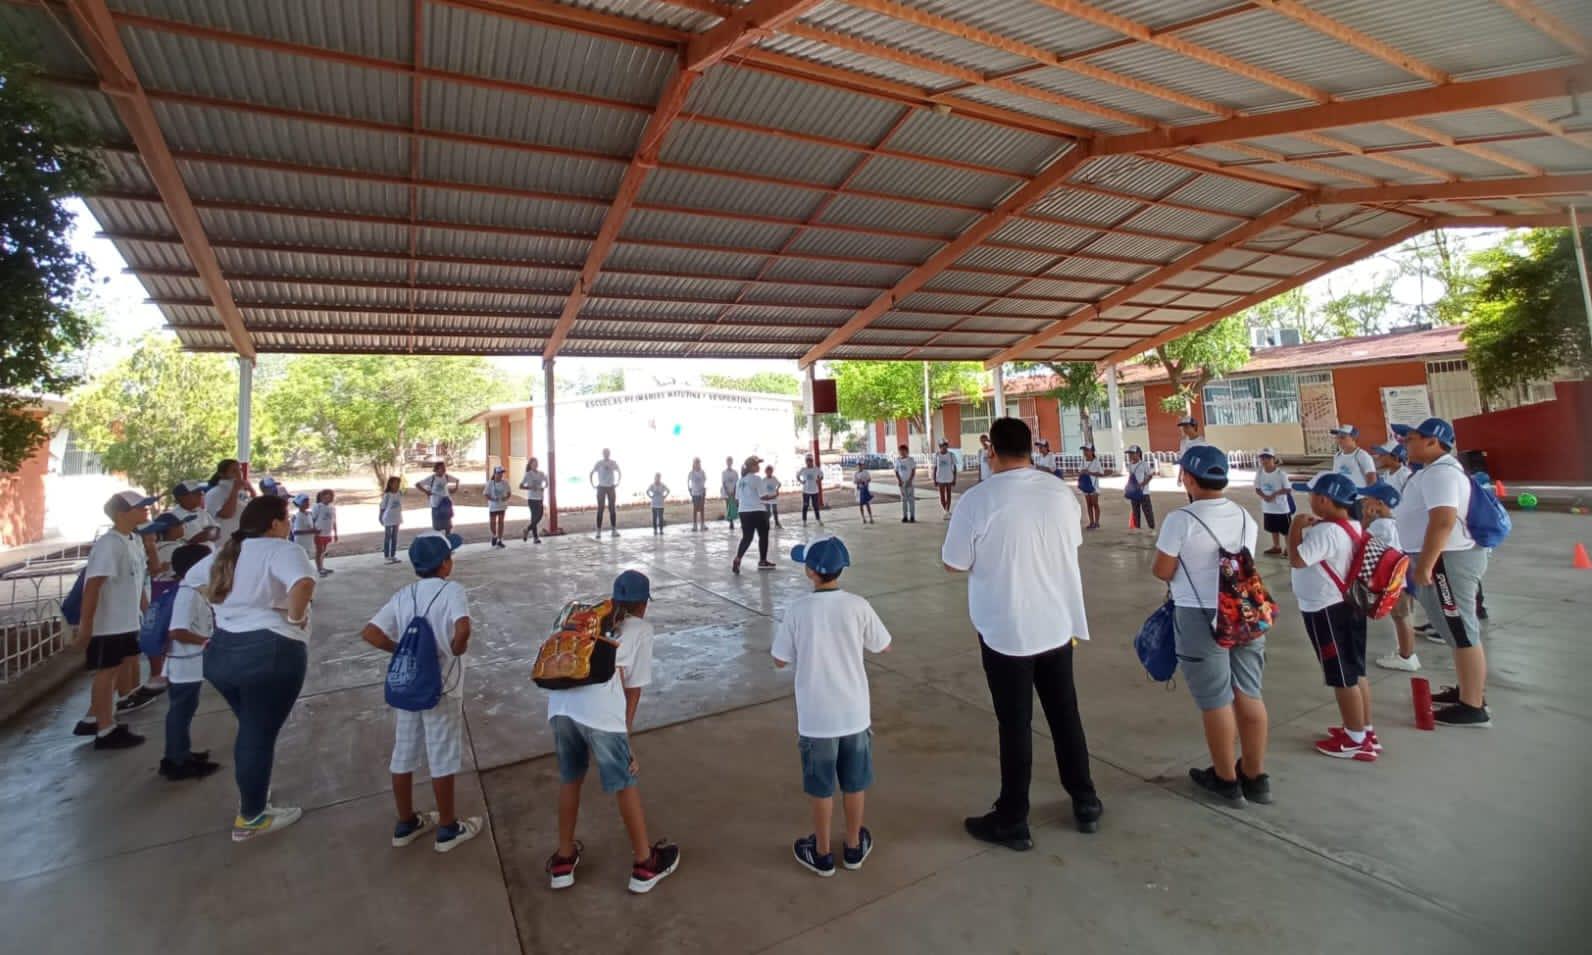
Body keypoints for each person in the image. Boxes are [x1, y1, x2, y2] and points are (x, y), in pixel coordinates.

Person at [944, 418, 1101, 849]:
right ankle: (1085, 800)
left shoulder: (978, 500)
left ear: (990, 451)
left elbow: (954, 562)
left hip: (1005, 628)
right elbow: (1071, 545)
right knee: (1065, 713)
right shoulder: (1059, 493)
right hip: (1056, 622)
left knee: (1015, 723)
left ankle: (1013, 818)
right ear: (1030, 449)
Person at [544, 570, 680, 894]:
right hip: (601, 714)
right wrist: (625, 739)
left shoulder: (584, 619)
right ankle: (645, 864)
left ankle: (563, 860)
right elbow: (632, 690)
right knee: (624, 782)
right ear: (643, 604)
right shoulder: (641, 629)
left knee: (570, 778)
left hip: (560, 707)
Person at [1151, 446, 1270, 808]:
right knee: (1248, 692)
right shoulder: (1244, 516)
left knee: (1216, 700)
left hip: (1199, 615)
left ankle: (1225, 779)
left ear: (1187, 478)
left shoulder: (1181, 520)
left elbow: (1162, 570)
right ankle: (1254, 776)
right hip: (1246, 615)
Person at [772, 538, 892, 876]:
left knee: (822, 786)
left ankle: (822, 853)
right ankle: (853, 847)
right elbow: (884, 645)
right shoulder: (858, 605)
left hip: (816, 718)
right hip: (854, 714)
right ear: (843, 569)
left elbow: (780, 659)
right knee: (855, 783)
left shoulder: (797, 610)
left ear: (810, 572)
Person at [202, 495, 317, 842]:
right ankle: (251, 816)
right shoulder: (281, 549)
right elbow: (304, 583)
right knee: (257, 733)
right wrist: (297, 618)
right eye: (286, 519)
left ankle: (254, 795)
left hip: (222, 652)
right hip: (268, 651)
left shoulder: (228, 552)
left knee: (252, 730)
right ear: (274, 523)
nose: (289, 525)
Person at [361, 532, 484, 853]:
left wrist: (404, 652)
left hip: (409, 686)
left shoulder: (404, 594)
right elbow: (463, 627)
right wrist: (456, 649)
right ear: (445, 563)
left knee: (404, 751)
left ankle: (406, 822)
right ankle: (447, 827)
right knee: (441, 756)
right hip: (442, 688)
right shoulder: (451, 590)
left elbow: (371, 633)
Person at [1393, 418, 1491, 727]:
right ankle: (1467, 691)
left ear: (1433, 442)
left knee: (1462, 630)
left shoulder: (1441, 475)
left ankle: (1473, 705)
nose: (1405, 443)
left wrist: (1425, 564)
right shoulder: (1434, 472)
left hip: (1447, 560)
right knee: (1455, 629)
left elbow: (1443, 521)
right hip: (1442, 559)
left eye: (1411, 438)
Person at [1288, 473, 1377, 762]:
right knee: (1355, 670)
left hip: (1327, 609)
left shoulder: (1327, 532)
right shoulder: (1350, 525)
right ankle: (1363, 729)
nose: (1309, 499)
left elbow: (1297, 559)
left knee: (1342, 676)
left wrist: (1295, 528)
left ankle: (1354, 740)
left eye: (1312, 495)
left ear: (1324, 500)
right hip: (1347, 606)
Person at [71, 490, 156, 748]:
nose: (146, 511)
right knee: (107, 673)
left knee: (116, 669)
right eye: (140, 507)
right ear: (121, 514)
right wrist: (86, 625)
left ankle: (93, 718)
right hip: (109, 622)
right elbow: (93, 585)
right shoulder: (109, 543)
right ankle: (105, 730)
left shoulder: (133, 540)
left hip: (127, 619)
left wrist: (146, 610)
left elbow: (137, 579)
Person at [160, 543, 220, 781]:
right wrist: (206, 642)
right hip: (185, 662)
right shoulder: (188, 594)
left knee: (185, 709)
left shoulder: (193, 590)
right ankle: (176, 760)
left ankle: (180, 753)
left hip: (189, 662)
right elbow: (177, 631)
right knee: (181, 711)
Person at [1361, 482, 1421, 673]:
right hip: (1403, 577)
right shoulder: (1398, 520)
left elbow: (1359, 541)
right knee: (1404, 617)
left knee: (1400, 617)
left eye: (1367, 499)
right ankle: (1406, 652)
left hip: (1392, 581)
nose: (1363, 501)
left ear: (1378, 503)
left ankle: (1406, 656)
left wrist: (1365, 519)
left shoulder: (1379, 525)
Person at [733, 457, 777, 574]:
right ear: (751, 466)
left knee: (747, 537)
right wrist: (774, 495)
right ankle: (762, 561)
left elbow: (737, 499)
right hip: (758, 511)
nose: (759, 466)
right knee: (763, 536)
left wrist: (744, 507)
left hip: (743, 512)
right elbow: (763, 496)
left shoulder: (740, 481)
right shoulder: (757, 479)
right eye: (757, 464)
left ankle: (738, 559)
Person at [1253, 449, 1293, 556]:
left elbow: (1288, 489)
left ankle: (1289, 548)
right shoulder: (1260, 473)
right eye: (1262, 458)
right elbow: (1257, 488)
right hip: (1268, 507)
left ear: (1273, 459)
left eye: (1267, 458)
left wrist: (1274, 495)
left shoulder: (1280, 474)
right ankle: (1276, 546)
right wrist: (1264, 496)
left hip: (1281, 508)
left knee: (1286, 530)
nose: (1264, 460)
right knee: (1273, 528)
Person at [204, 459, 255, 541]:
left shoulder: (241, 491)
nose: (239, 474)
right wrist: (234, 490)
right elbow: (227, 514)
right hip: (225, 539)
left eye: (240, 470)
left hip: (241, 536)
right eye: (234, 471)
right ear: (222, 474)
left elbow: (255, 507)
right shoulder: (214, 493)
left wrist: (251, 490)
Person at [169, 480, 220, 545]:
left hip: (208, 552)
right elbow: (196, 538)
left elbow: (218, 530)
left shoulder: (200, 511)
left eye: (200, 492)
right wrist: (211, 531)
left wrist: (208, 532)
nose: (201, 494)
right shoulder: (176, 515)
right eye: (196, 493)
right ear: (182, 497)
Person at [416, 461, 459, 534]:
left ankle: (447, 540)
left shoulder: (446, 476)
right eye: (441, 468)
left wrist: (455, 488)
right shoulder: (431, 478)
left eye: (444, 468)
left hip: (446, 504)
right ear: (436, 469)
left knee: (448, 526)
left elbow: (457, 480)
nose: (444, 469)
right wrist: (426, 492)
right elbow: (418, 484)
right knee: (437, 526)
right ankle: (438, 540)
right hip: (436, 504)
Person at [591, 448, 622, 539]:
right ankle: (598, 531)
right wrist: (593, 484)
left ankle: (613, 530)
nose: (606, 454)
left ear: (609, 454)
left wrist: (618, 482)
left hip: (611, 487)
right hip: (601, 487)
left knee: (612, 508)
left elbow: (619, 472)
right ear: (603, 454)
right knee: (600, 508)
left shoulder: (613, 462)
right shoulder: (599, 463)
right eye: (605, 453)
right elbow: (591, 473)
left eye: (607, 453)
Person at [1125, 445, 1155, 530]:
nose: (1130, 455)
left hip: (1144, 492)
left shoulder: (1144, 464)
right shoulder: (1130, 465)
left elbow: (1150, 476)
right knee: (1135, 511)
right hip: (1134, 492)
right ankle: (1137, 527)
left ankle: (1151, 528)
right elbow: (1131, 476)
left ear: (1138, 454)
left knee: (1147, 511)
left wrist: (1142, 485)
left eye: (1131, 453)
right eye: (1129, 454)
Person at [311, 489, 338, 578]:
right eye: (327, 496)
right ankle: (319, 569)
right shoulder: (317, 507)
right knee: (319, 551)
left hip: (327, 533)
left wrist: (335, 533)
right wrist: (314, 530)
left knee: (323, 551)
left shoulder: (332, 507)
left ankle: (322, 567)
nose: (330, 498)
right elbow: (313, 519)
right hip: (319, 533)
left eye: (331, 496)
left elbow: (334, 521)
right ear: (322, 497)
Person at [520, 457, 548, 544]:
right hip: (532, 499)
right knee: (534, 517)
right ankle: (535, 538)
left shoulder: (541, 473)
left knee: (539, 516)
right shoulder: (528, 474)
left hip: (540, 498)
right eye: (533, 463)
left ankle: (527, 529)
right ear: (530, 465)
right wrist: (530, 487)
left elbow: (546, 483)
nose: (535, 465)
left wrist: (543, 487)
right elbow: (521, 486)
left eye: (536, 463)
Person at [485, 466, 511, 549]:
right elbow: (486, 494)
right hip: (493, 506)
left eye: (501, 473)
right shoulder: (490, 483)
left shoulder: (505, 483)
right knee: (492, 522)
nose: (500, 475)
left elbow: (509, 493)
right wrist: (492, 499)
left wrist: (506, 498)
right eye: (498, 473)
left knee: (501, 522)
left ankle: (500, 540)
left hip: (502, 506)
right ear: (495, 473)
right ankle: (494, 535)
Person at [379, 476, 404, 564]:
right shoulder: (388, 494)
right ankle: (387, 555)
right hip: (388, 518)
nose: (397, 485)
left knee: (394, 537)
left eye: (398, 484)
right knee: (388, 536)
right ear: (390, 484)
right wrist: (380, 516)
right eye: (395, 483)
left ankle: (393, 555)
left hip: (397, 517)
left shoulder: (400, 493)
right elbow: (382, 506)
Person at [1078, 445, 1103, 530]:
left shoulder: (1096, 462)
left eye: (1087, 450)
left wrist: (1090, 473)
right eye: (1084, 450)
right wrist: (1083, 472)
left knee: (1095, 504)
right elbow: (1079, 471)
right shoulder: (1083, 461)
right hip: (1085, 485)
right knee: (1088, 505)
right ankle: (1091, 522)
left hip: (1094, 486)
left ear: (1092, 451)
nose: (1085, 452)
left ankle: (1097, 522)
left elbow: (1101, 473)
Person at [797, 454, 825, 525]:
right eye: (807, 461)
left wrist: (819, 480)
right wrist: (801, 481)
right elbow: (797, 476)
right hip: (806, 491)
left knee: (815, 506)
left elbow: (822, 475)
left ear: (812, 461)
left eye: (810, 461)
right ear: (806, 462)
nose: (809, 462)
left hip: (815, 491)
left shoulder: (816, 469)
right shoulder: (803, 469)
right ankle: (804, 521)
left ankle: (818, 520)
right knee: (805, 506)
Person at [932, 440, 957, 519]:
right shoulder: (937, 455)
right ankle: (945, 510)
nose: (944, 447)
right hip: (940, 478)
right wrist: (934, 479)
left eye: (945, 446)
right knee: (942, 495)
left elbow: (954, 468)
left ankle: (947, 510)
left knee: (948, 494)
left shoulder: (951, 455)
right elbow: (935, 468)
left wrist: (954, 478)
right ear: (940, 447)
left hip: (949, 477)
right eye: (942, 446)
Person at [893, 444, 918, 523]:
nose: (902, 452)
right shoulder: (898, 460)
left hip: (909, 483)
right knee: (903, 500)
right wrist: (899, 480)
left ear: (907, 451)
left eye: (904, 451)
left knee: (911, 500)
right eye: (901, 451)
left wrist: (910, 480)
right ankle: (905, 516)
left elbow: (913, 471)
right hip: (902, 483)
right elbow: (896, 471)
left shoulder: (910, 460)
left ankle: (912, 516)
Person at [687, 458, 708, 532]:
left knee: (702, 509)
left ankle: (702, 524)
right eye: (696, 463)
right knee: (695, 509)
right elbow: (689, 482)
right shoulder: (691, 473)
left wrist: (704, 491)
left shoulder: (702, 472)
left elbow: (705, 481)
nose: (697, 464)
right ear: (694, 464)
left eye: (699, 463)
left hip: (701, 492)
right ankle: (695, 525)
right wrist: (690, 490)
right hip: (694, 493)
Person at [720, 456, 739, 531]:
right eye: (728, 461)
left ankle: (736, 518)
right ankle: (731, 522)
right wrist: (727, 492)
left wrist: (734, 491)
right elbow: (723, 482)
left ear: (732, 462)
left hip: (734, 491)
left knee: (735, 506)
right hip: (726, 491)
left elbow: (737, 482)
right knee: (728, 506)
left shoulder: (735, 472)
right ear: (726, 462)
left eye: (730, 461)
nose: (729, 463)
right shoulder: (724, 472)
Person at [763, 464, 783, 529]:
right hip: (767, 498)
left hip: (774, 497)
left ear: (772, 471)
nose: (769, 472)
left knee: (775, 511)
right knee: (768, 512)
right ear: (765, 472)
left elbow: (779, 484)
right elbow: (761, 488)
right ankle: (766, 523)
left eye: (770, 471)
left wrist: (777, 489)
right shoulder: (764, 479)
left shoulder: (774, 478)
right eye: (768, 471)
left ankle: (777, 523)